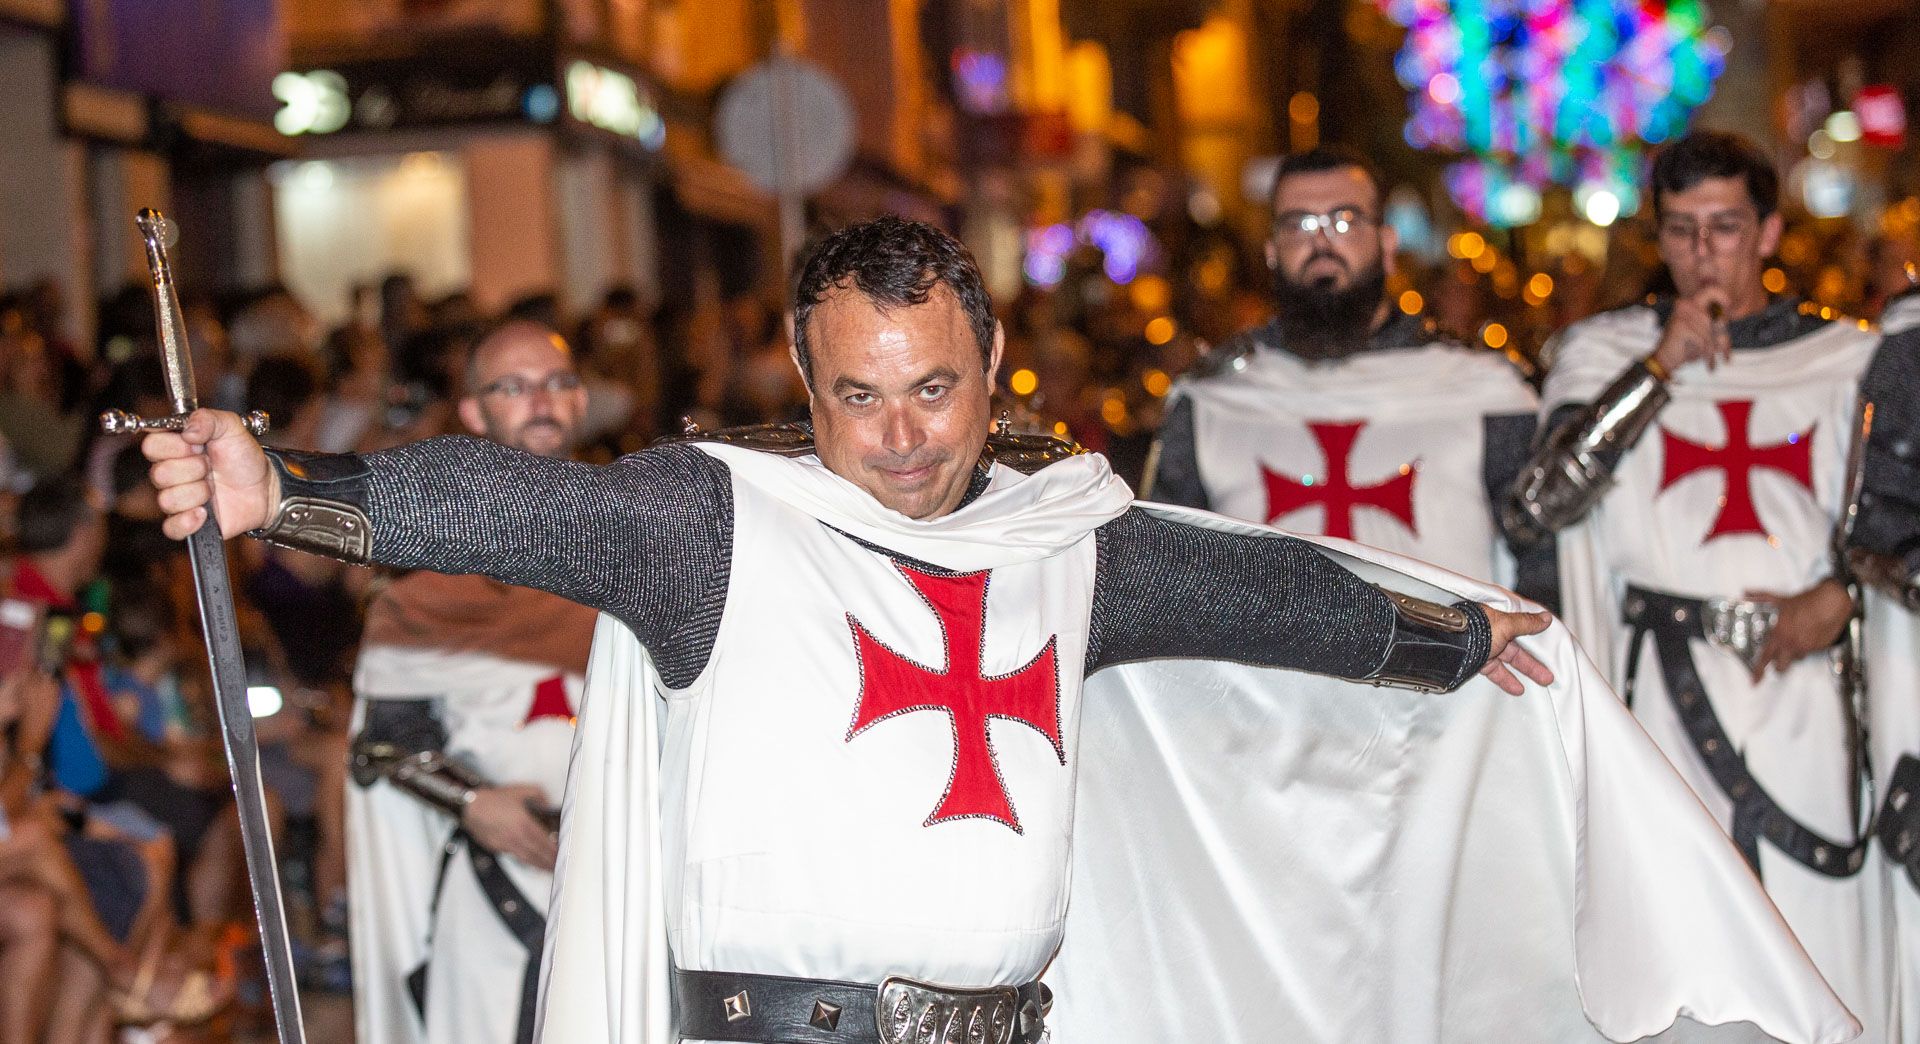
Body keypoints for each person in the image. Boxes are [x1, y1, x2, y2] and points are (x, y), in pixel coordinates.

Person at [143, 218, 1850, 1044]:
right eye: (860, 393)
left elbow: (1267, 596)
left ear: (993, 360)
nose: (898, 433)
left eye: (936, 385)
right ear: (806, 382)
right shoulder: (714, 521)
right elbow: (524, 510)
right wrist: (279, 481)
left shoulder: (1065, 541)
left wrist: (1457, 644)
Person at [1507, 129, 1916, 1040]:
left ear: (1768, 233)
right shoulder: (1601, 353)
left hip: (1806, 695)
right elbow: (1539, 506)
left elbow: (1893, 524)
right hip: (1659, 696)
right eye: (1683, 230)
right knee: (1672, 950)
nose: (1704, 253)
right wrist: (1658, 370)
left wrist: (1841, 597)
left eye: (1726, 227)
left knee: (1819, 942)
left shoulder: (1845, 361)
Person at [1149, 148, 1554, 610]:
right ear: (1271, 252)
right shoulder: (1211, 400)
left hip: (1448, 674)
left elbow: (1543, 568)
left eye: (1344, 222)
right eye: (1298, 224)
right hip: (1271, 681)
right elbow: (1170, 578)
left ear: (1386, 245)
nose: (1321, 244)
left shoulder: (1483, 390)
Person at [346, 320, 599, 1044]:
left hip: (625, 867)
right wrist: (472, 802)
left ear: (581, 401)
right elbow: (383, 745)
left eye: (556, 383)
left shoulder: (644, 556)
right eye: (512, 388)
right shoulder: (426, 592)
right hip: (494, 882)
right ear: (472, 413)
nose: (540, 402)